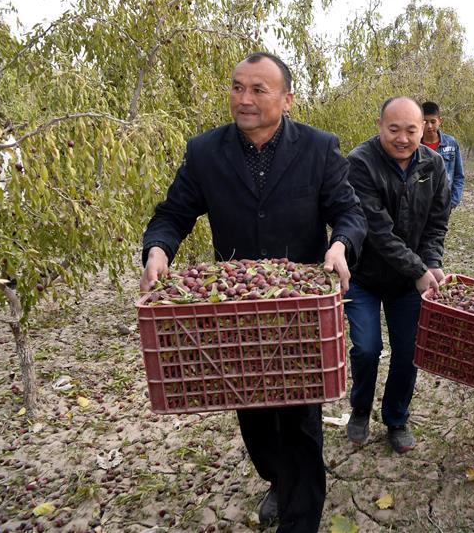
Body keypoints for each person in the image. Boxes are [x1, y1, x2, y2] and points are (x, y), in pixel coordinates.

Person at [140, 52, 367, 533]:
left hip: (299, 310)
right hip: (237, 313)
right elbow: (173, 213)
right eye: (237, 87)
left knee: (301, 417)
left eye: (258, 89)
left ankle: (299, 517)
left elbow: (349, 212)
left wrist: (340, 245)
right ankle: (277, 479)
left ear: (286, 99)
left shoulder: (319, 148)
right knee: (255, 416)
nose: (244, 99)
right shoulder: (206, 152)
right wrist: (158, 251)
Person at [344, 96, 450, 454]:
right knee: (367, 348)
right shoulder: (359, 163)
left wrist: (431, 261)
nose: (402, 138)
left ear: (425, 129)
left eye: (411, 130)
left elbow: (437, 221)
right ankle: (360, 408)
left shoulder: (433, 165)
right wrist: (420, 269)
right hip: (364, 275)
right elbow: (378, 231)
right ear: (379, 126)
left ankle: (396, 418)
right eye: (394, 129)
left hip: (408, 282)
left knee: (409, 352)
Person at [422, 101, 465, 211]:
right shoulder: (414, 145)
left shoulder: (451, 143)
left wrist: (453, 202)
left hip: (443, 203)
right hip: (420, 203)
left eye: (433, 121)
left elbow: (458, 175)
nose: (429, 126)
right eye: (425, 122)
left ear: (439, 121)